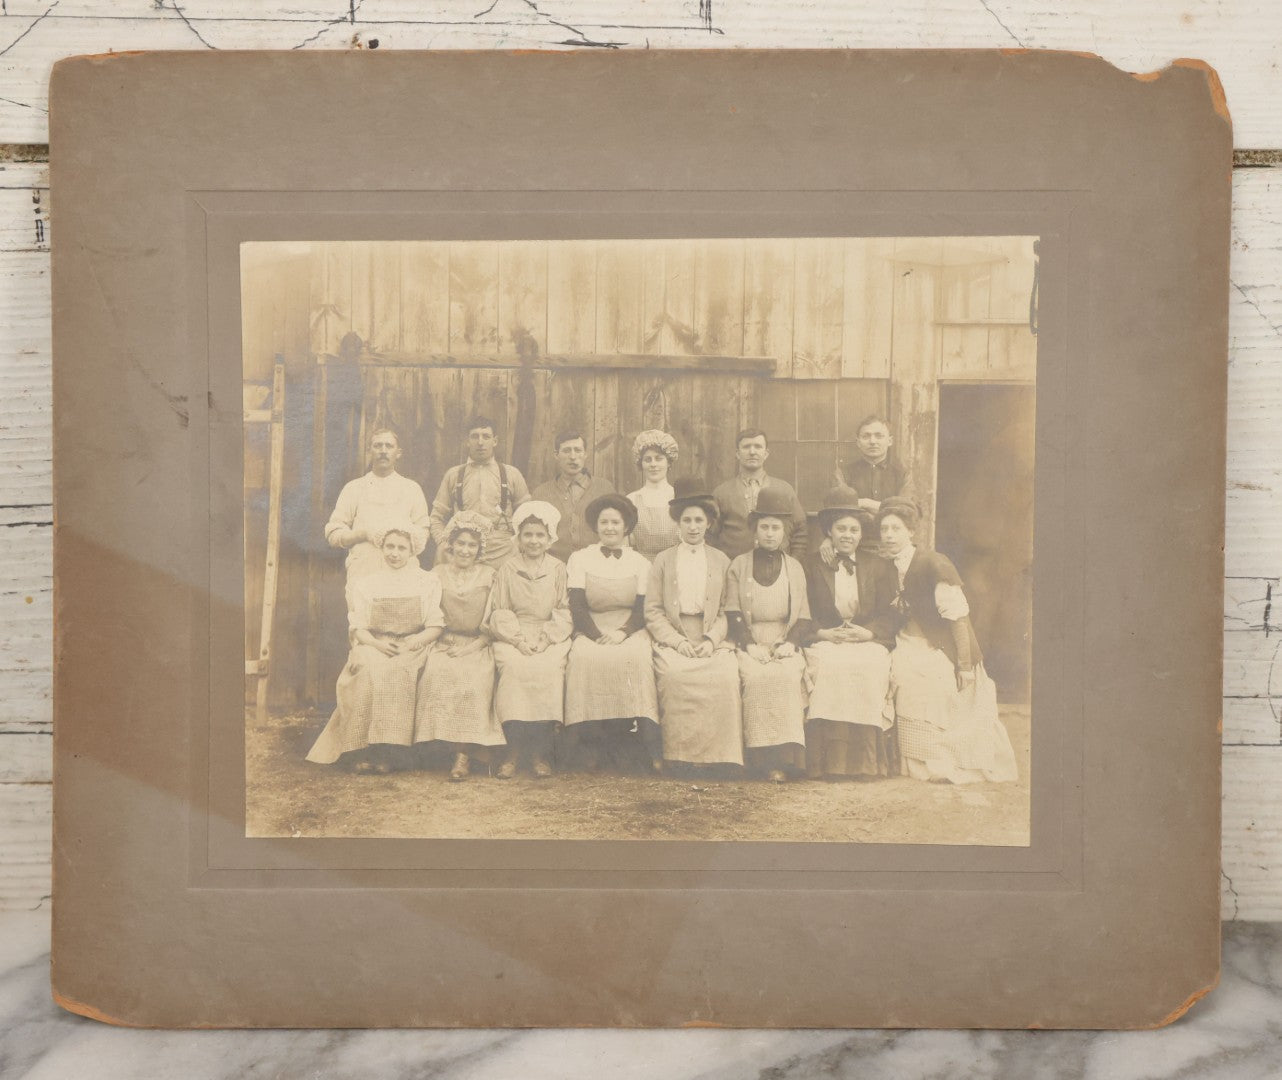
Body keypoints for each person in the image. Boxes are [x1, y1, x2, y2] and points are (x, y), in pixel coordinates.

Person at [877, 497, 1019, 784]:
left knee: (937, 682)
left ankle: (944, 761)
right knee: (903, 677)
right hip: (908, 642)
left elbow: (957, 618)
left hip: (944, 646)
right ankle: (918, 760)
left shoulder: (933, 563)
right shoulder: (886, 567)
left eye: (896, 528)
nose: (889, 535)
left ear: (911, 532)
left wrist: (964, 665)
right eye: (884, 529)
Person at [306, 525, 444, 772]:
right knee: (368, 670)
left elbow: (435, 625)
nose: (395, 553)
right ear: (381, 548)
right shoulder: (368, 583)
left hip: (413, 644)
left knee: (400, 672)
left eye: (402, 548)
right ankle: (363, 748)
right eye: (389, 546)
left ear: (412, 551)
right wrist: (377, 644)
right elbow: (358, 628)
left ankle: (391, 752)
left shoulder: (427, 581)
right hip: (375, 643)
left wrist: (415, 642)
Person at [644, 480, 743, 774]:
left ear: (709, 523)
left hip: (711, 634)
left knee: (724, 675)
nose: (693, 526)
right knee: (674, 675)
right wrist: (677, 642)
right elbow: (653, 610)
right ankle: (679, 757)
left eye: (699, 520)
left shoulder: (722, 560)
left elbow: (728, 609)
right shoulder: (663, 560)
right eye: (686, 520)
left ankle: (720, 759)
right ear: (677, 523)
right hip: (674, 636)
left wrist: (712, 639)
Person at [802, 486, 899, 781]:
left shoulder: (879, 566)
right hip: (827, 638)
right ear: (829, 531)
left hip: (864, 639)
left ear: (861, 534)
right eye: (840, 528)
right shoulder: (811, 565)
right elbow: (802, 611)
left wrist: (868, 634)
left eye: (854, 529)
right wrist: (822, 634)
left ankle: (866, 764)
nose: (847, 535)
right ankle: (827, 764)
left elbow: (890, 614)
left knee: (869, 666)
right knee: (830, 666)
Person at [563, 494, 660, 773]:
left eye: (615, 522)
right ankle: (589, 743)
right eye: (604, 522)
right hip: (591, 626)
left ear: (626, 526)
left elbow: (643, 609)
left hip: (629, 628)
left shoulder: (640, 562)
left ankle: (632, 744)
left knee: (638, 658)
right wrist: (595, 636)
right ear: (596, 526)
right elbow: (577, 606)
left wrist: (622, 633)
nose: (609, 528)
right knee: (583, 658)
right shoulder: (580, 558)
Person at [724, 487, 813, 783]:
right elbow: (733, 612)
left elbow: (803, 616)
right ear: (755, 530)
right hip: (750, 640)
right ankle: (758, 762)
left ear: (786, 532)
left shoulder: (795, 568)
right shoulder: (738, 565)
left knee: (787, 677)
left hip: (783, 640)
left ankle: (786, 761)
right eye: (765, 527)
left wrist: (790, 643)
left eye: (777, 528)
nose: (771, 534)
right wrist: (749, 645)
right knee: (756, 678)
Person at [413, 511, 504, 782]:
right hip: (443, 641)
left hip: (478, 644)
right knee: (436, 673)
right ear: (451, 545)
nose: (465, 550)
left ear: (480, 549)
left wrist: (473, 646)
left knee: (474, 680)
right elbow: (427, 614)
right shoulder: (436, 574)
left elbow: (494, 617)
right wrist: (441, 640)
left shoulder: (490, 575)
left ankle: (464, 755)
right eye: (461, 544)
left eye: (472, 545)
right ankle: (439, 749)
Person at [485, 501, 572, 779]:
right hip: (514, 635)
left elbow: (564, 608)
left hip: (549, 633)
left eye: (539, 535)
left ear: (549, 539)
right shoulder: (508, 569)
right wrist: (519, 641)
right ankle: (513, 750)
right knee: (515, 668)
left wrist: (546, 640)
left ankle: (540, 751)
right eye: (528, 535)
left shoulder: (558, 569)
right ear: (518, 539)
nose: (534, 541)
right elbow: (500, 610)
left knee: (547, 669)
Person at [324, 428, 431, 581]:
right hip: (363, 572)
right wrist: (362, 534)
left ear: (398, 453)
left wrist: (400, 546)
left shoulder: (411, 489)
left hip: (403, 576)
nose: (383, 450)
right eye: (378, 445)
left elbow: (423, 532)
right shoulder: (354, 488)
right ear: (369, 451)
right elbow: (333, 533)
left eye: (389, 446)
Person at [428, 415, 531, 568]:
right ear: (467, 441)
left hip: (503, 551)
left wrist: (518, 545)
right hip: (464, 551)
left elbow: (527, 517)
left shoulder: (511, 474)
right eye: (475, 436)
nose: (480, 442)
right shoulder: (454, 475)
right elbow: (436, 517)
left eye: (486, 436)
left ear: (495, 441)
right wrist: (444, 543)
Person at [711, 429, 808, 560]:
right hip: (734, 570)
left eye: (758, 446)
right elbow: (709, 535)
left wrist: (792, 565)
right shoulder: (721, 493)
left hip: (777, 571)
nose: (752, 452)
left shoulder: (784, 489)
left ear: (766, 453)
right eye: (746, 447)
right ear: (737, 454)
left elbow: (800, 531)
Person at [530, 429, 616, 564]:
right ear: (556, 455)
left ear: (586, 454)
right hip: (553, 568)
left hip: (596, 566)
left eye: (578, 450)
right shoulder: (541, 493)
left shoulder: (605, 489)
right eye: (566, 451)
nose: (573, 456)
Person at [836, 414, 915, 518]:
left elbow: (906, 511)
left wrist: (865, 503)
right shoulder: (843, 473)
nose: (872, 441)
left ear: (890, 441)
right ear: (858, 442)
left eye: (879, 436)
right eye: (866, 436)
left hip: (890, 533)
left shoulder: (903, 474)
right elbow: (840, 508)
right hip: (856, 533)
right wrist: (890, 508)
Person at [625, 429, 681, 559]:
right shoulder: (631, 500)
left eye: (659, 459)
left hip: (673, 566)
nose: (653, 464)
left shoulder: (679, 498)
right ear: (641, 464)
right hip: (641, 568)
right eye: (648, 460)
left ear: (669, 462)